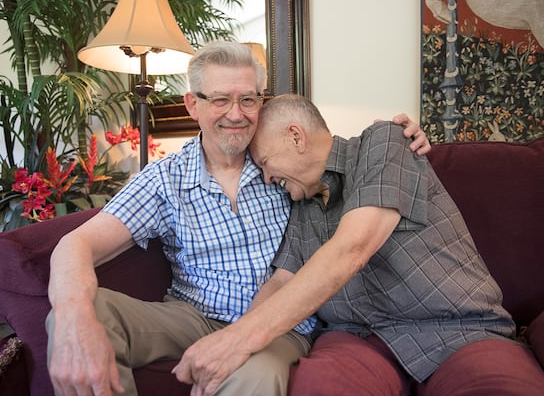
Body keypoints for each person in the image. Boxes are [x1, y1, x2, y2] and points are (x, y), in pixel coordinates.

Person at [46, 42, 430, 396]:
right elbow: (76, 244)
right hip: (191, 315)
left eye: (248, 99)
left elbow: (345, 158)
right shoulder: (165, 179)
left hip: (278, 325)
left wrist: (401, 138)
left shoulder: (282, 162)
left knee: (257, 373)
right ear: (192, 105)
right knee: (84, 314)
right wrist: (72, 314)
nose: (236, 114)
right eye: (220, 99)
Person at [173, 94, 544, 395]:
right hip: (358, 341)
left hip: (459, 331)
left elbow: (353, 247)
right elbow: (281, 281)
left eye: (266, 163)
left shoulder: (383, 143)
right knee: (320, 387)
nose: (268, 178)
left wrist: (237, 340)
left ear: (296, 136)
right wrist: (236, 346)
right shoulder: (300, 204)